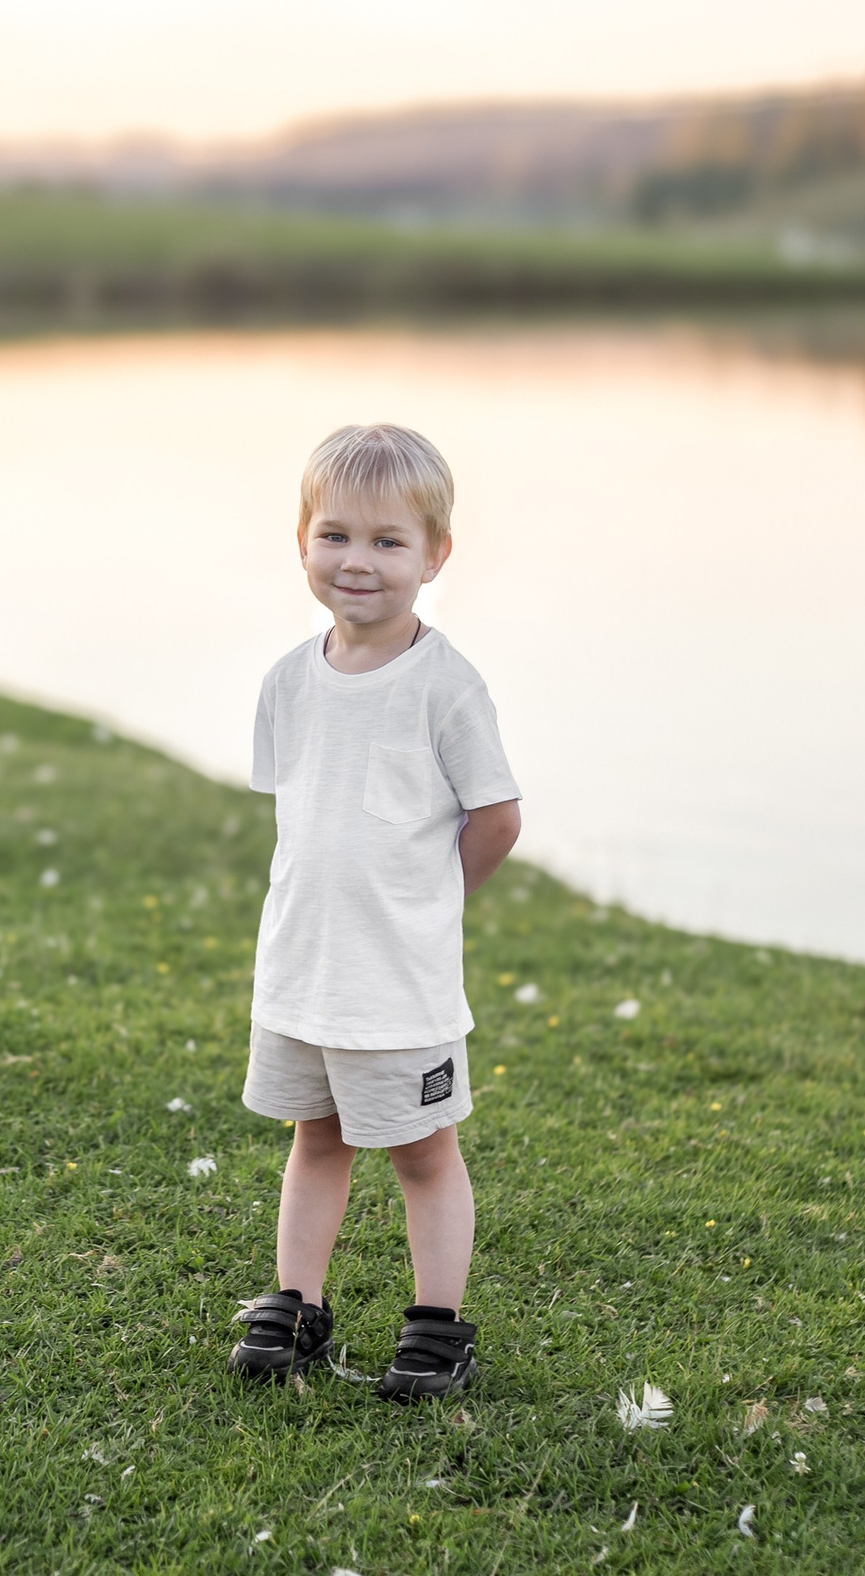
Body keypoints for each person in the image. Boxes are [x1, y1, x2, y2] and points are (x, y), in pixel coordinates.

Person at [228, 422, 521, 1401]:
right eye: (336, 535)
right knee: (314, 1138)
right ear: (302, 541)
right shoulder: (287, 681)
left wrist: (432, 902)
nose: (357, 561)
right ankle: (295, 1304)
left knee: (424, 1154)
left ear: (435, 555)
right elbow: (308, 823)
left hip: (400, 984)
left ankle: (437, 1326)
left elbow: (497, 818)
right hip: (302, 972)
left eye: (388, 541)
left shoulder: (446, 687)